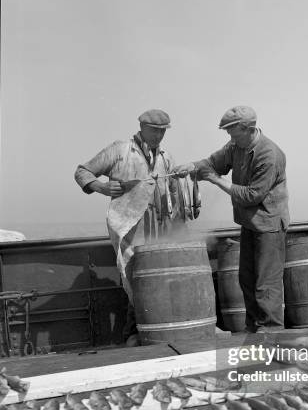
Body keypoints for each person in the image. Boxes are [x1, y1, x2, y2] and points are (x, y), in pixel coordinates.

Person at [173, 106, 290, 333]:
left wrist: (215, 180)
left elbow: (251, 196)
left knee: (266, 283)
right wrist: (192, 167)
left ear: (248, 129)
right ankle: (254, 328)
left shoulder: (270, 155)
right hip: (250, 224)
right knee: (247, 279)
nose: (230, 138)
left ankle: (272, 332)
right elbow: (212, 163)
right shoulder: (236, 146)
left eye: (233, 133)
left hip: (269, 227)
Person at [74, 109, 185, 346]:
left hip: (157, 227)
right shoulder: (120, 150)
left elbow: (173, 191)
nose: (158, 136)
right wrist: (102, 187)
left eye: (163, 131)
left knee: (155, 278)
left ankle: (143, 332)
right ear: (142, 127)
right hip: (127, 226)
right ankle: (133, 334)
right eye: (154, 130)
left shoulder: (166, 157)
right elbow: (82, 171)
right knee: (133, 277)